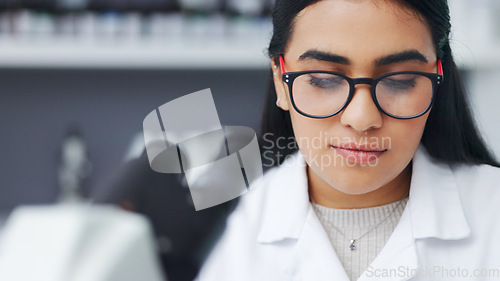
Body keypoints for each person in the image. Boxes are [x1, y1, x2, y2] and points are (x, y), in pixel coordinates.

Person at [197, 0, 500, 280]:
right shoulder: (253, 213)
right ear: (280, 79)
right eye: (324, 80)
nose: (361, 118)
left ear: (438, 78)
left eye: (400, 81)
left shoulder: (491, 211)